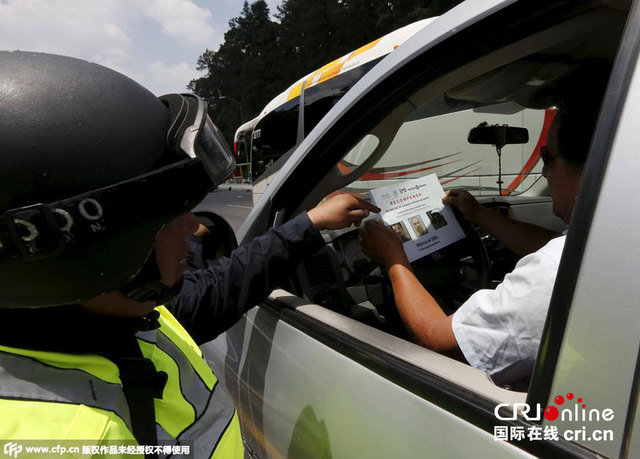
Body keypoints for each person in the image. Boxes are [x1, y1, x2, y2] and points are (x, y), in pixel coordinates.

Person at [0, 51, 378, 458]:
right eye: (166, 217)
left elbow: (218, 287)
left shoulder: (122, 315)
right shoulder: (66, 441)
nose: (191, 227)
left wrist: (311, 222)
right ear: (93, 253)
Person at [360, 95, 602, 387]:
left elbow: (438, 341)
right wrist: (479, 215)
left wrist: (394, 260)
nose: (543, 171)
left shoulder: (551, 274)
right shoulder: (599, 243)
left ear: (592, 164)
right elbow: (555, 244)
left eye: (548, 157)